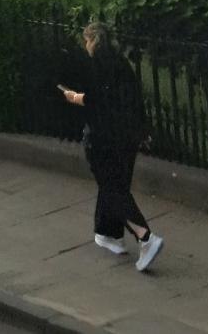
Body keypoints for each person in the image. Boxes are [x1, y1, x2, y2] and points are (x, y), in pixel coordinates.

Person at [59, 21, 163, 272]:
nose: (85, 45)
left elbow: (98, 99)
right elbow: (132, 98)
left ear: (92, 40)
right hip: (127, 136)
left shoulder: (97, 65)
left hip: (103, 137)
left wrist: (75, 97)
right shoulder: (122, 64)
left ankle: (145, 237)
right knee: (115, 185)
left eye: (86, 41)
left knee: (111, 188)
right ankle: (108, 233)